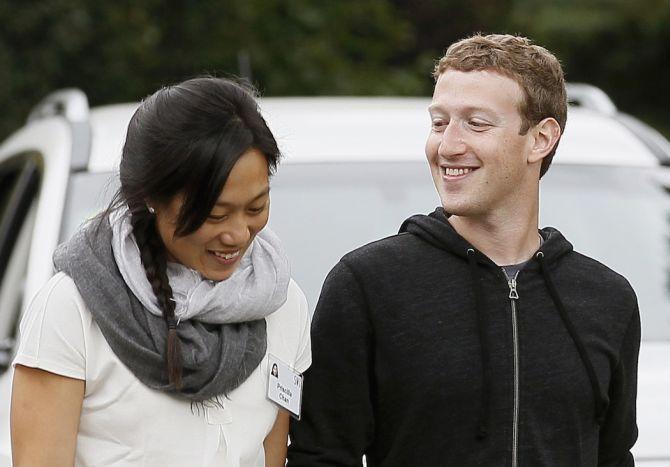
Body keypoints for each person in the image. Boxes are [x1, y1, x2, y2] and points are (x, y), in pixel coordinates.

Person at [288, 34, 640, 466]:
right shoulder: (368, 285)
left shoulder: (607, 299)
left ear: (541, 139)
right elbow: (321, 456)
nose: (448, 146)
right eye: (439, 123)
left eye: (476, 123)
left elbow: (615, 456)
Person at [11, 77, 311, 467]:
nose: (238, 234)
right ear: (152, 197)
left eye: (256, 208)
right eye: (214, 214)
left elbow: (272, 456)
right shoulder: (72, 308)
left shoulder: (282, 303)